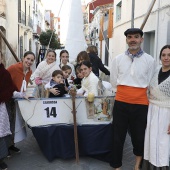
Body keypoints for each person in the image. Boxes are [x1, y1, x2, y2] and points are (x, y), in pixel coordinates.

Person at [109, 28, 155, 170]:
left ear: (142, 39)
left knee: (139, 137)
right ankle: (117, 166)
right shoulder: (118, 59)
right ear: (126, 40)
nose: (133, 39)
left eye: (136, 37)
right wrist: (124, 94)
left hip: (141, 104)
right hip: (121, 103)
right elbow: (113, 81)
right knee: (117, 137)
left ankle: (137, 165)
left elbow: (150, 82)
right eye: (130, 37)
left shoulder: (150, 60)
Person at [142, 45, 170, 170]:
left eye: (169, 55)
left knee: (163, 145)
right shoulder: (156, 70)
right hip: (152, 111)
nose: (166, 58)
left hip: (166, 114)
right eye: (163, 55)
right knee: (151, 141)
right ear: (160, 57)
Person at [6, 51, 35, 156]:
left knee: (15, 123)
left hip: (18, 99)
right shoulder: (14, 68)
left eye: (32, 60)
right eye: (27, 58)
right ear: (23, 58)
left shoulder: (29, 72)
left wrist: (24, 94)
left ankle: (11, 144)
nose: (29, 61)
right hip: (8, 98)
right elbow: (4, 78)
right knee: (7, 123)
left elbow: (23, 85)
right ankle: (5, 148)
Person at [0, 51, 17, 170]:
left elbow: (10, 89)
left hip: (0, 107)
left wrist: (21, 94)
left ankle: (0, 159)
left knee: (0, 135)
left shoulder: (4, 73)